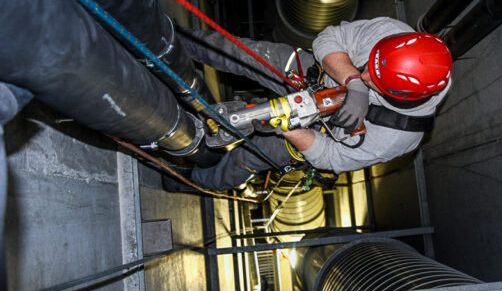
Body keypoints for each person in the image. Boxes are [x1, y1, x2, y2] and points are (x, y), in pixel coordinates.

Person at [172, 17, 452, 191]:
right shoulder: (392, 34)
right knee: (241, 53)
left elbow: (332, 157)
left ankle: (189, 180)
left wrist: (286, 127)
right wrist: (353, 81)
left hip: (315, 132)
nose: (366, 74)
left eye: (375, 81)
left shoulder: (396, 139)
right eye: (369, 65)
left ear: (402, 96)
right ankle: (170, 37)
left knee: (246, 160)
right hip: (313, 74)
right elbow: (329, 38)